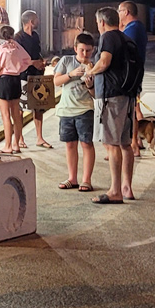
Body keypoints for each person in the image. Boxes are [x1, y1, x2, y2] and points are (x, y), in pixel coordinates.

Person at [82, 7, 139, 203]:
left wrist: (90, 72)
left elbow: (105, 62)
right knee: (125, 143)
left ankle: (115, 191)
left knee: (111, 143)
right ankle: (126, 187)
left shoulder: (108, 37)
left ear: (102, 22)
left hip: (111, 97)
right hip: (127, 96)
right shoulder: (127, 39)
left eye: (98, 22)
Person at [52, 33, 97, 191]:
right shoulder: (67, 61)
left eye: (88, 50)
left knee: (86, 143)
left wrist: (90, 85)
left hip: (85, 109)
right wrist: (71, 74)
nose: (85, 54)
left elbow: (95, 94)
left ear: (93, 50)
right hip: (66, 109)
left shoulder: (94, 66)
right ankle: (72, 178)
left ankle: (86, 180)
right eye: (82, 50)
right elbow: (56, 81)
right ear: (75, 48)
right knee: (70, 144)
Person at [0, 26, 31, 153]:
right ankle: (16, 144)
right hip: (16, 80)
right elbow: (27, 60)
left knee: (6, 115)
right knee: (16, 114)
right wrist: (19, 69)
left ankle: (8, 145)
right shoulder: (16, 46)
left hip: (3, 80)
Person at [13, 10, 52, 149]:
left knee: (39, 106)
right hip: (24, 76)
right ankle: (20, 138)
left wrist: (41, 61)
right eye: (36, 19)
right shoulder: (18, 38)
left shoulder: (35, 36)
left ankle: (39, 138)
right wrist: (32, 63)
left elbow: (37, 53)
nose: (38, 21)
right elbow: (17, 58)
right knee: (20, 108)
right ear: (30, 21)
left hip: (37, 74)